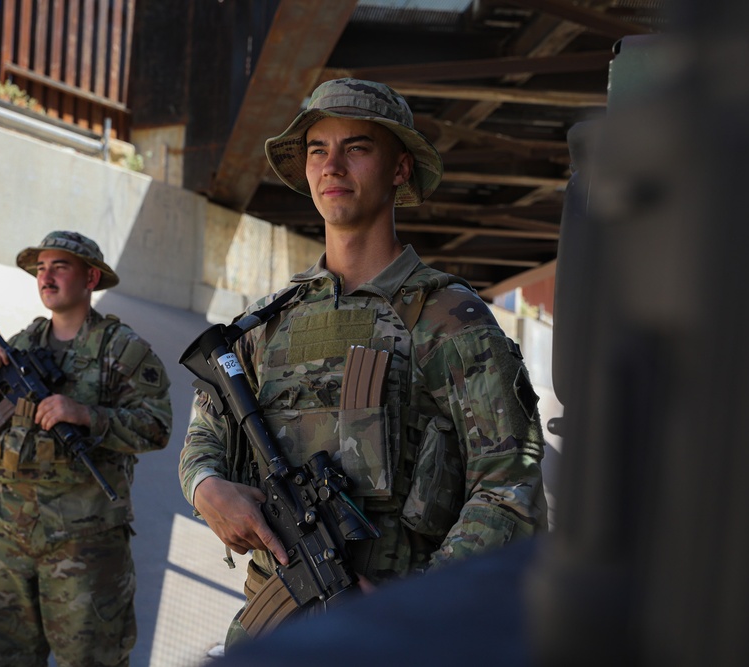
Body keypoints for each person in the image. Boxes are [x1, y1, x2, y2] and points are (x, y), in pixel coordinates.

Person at [178, 78, 548, 648]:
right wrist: (207, 489)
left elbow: (510, 488)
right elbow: (204, 436)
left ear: (400, 170)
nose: (332, 166)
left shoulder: (449, 317)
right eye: (317, 150)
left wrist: (419, 602)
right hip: (273, 622)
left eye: (357, 147)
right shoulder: (265, 324)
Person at [0, 231, 172, 667]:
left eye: (59, 267)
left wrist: (88, 415)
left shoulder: (122, 350)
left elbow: (158, 427)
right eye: (40, 268)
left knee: (91, 658)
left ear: (91, 277)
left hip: (83, 544)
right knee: (1, 657)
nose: (45, 277)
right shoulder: (19, 346)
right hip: (4, 536)